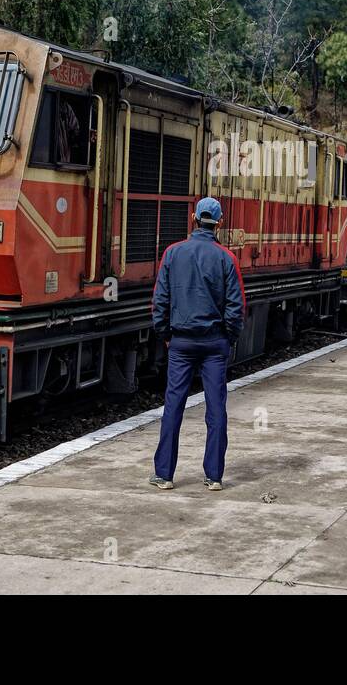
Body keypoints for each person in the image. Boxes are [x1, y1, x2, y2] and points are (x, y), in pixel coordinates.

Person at [150, 197, 245, 491]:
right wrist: (228, 338)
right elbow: (236, 307)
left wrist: (166, 334)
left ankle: (164, 475)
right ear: (220, 222)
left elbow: (160, 301)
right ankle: (214, 476)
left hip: (180, 342)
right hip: (214, 344)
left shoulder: (172, 254)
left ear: (193, 218)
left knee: (173, 406)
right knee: (216, 409)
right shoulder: (226, 258)